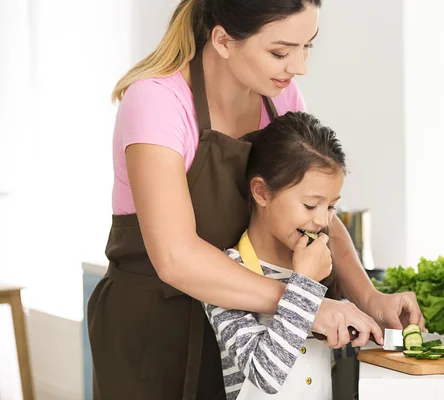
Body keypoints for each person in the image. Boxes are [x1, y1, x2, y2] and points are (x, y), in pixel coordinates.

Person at [87, 0, 425, 399]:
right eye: (280, 52)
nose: (299, 66)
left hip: (249, 334)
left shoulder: (280, 98)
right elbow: (175, 257)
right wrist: (305, 305)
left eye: (308, 46)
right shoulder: (157, 101)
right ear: (224, 40)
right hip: (154, 336)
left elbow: (313, 212)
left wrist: (369, 297)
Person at [203, 111, 348, 400]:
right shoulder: (227, 272)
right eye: (310, 206)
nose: (322, 221)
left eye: (331, 207)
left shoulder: (319, 265)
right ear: (262, 193)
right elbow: (264, 374)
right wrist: (305, 282)